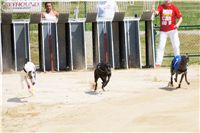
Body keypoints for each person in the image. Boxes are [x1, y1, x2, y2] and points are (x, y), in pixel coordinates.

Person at [152, 0, 182, 68]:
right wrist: (153, 7)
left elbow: (180, 17)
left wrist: (177, 24)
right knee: (161, 47)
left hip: (173, 30)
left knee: (176, 46)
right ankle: (158, 63)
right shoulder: (161, 6)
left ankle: (178, 62)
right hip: (163, 31)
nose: (167, 1)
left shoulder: (174, 7)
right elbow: (157, 12)